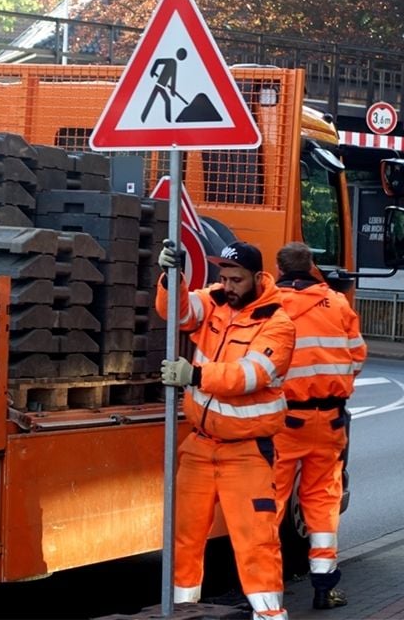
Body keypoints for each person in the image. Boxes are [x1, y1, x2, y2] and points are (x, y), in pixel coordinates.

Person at [156, 240, 295, 620]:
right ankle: (184, 611)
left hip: (246, 452)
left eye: (236, 279)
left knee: (256, 543)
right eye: (224, 277)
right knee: (183, 539)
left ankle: (269, 617)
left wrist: (195, 374)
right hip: (201, 446)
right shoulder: (216, 299)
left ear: (256, 278)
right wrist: (172, 278)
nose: (228, 285)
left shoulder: (277, 323)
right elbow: (177, 313)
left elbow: (250, 375)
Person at [273, 241, 366, 611]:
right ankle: (324, 589)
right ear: (312, 266)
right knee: (322, 504)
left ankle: (264, 590)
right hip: (328, 420)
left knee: (270, 503)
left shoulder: (270, 305)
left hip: (283, 420)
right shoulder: (339, 304)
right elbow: (357, 357)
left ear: (279, 270)